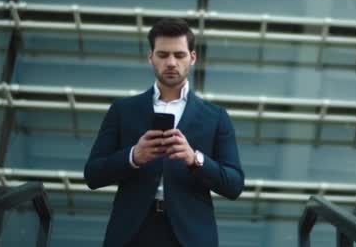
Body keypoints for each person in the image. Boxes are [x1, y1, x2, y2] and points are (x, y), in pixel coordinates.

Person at [84, 18, 245, 247]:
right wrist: (133, 156)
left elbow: (234, 184)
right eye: (163, 55)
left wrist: (194, 158)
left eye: (179, 55)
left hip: (190, 236)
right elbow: (93, 174)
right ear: (151, 57)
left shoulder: (215, 117)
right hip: (132, 232)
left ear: (193, 57)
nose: (171, 62)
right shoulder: (122, 110)